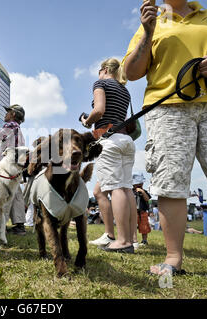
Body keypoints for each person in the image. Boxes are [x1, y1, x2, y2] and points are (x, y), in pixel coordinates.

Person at [123, 0, 207, 276]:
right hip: (168, 109)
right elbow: (131, 72)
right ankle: (173, 258)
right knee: (171, 181)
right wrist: (148, 31)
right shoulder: (151, 21)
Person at [81, 58, 137, 253]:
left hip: (109, 140)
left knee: (116, 189)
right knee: (127, 188)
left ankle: (122, 241)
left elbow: (99, 110)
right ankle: (130, 238)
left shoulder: (101, 83)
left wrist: (87, 121)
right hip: (126, 140)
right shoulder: (125, 90)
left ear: (104, 69)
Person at [0, 104, 27, 235]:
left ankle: (1, 226)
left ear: (13, 114)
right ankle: (20, 226)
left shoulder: (10, 126)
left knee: (4, 194)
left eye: (8, 112)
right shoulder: (19, 131)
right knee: (16, 195)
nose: (5, 114)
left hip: (8, 167)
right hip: (16, 167)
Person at [132, 173, 151, 245]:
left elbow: (147, 199)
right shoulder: (131, 191)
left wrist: (142, 192)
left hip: (143, 212)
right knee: (132, 226)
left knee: (144, 227)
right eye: (137, 184)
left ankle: (144, 240)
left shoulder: (144, 192)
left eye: (140, 183)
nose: (139, 185)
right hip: (133, 212)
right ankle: (133, 240)